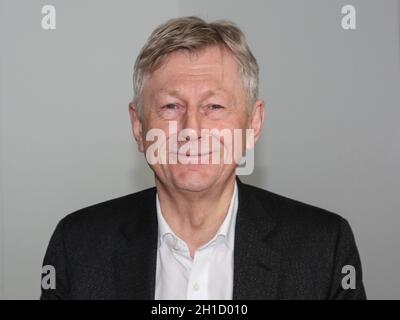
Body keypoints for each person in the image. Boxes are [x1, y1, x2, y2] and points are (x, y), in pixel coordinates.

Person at [41, 16, 366, 300]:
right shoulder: (77, 246)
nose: (191, 129)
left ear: (253, 123)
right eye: (170, 107)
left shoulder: (324, 248)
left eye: (214, 107)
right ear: (138, 126)